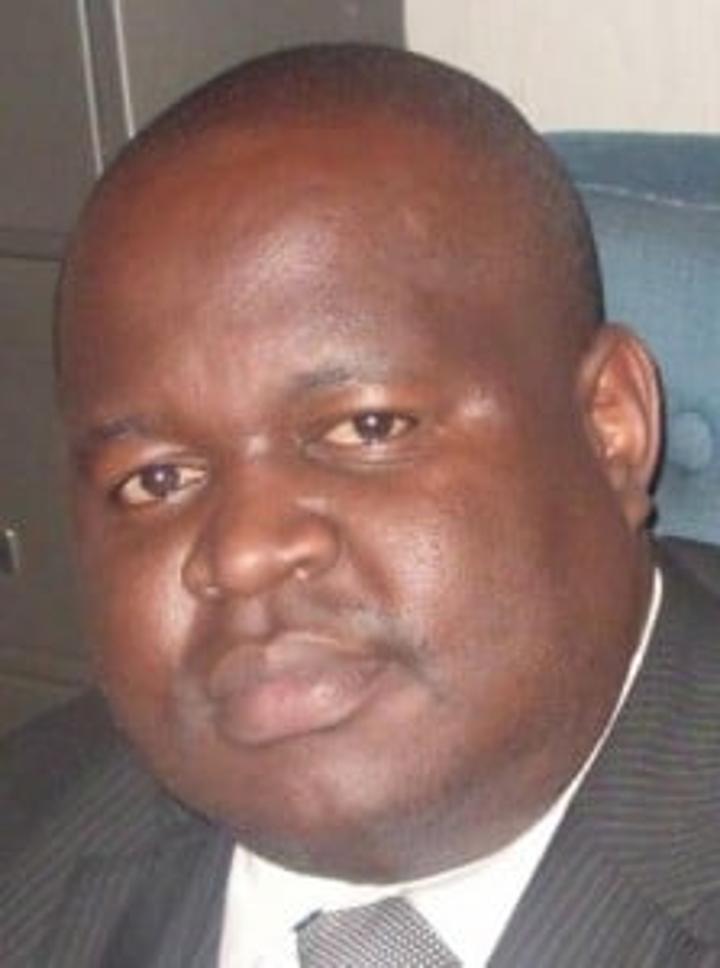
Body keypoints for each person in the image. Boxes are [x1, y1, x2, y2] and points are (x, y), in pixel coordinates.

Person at [2, 43, 719, 968]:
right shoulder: (28, 831)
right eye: (157, 479)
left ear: (609, 425)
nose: (244, 550)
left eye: (365, 427)